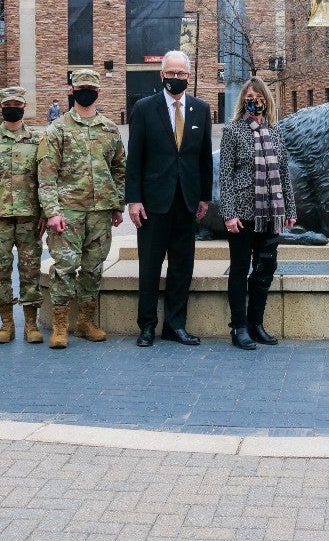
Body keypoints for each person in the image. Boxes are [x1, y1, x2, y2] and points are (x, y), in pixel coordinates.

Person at [125, 50, 213, 346]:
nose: (176, 78)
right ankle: (147, 325)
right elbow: (134, 158)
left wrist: (204, 197)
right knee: (149, 266)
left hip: (186, 202)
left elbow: (204, 160)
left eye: (182, 74)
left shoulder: (201, 109)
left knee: (181, 266)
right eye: (171, 73)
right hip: (152, 203)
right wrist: (133, 199)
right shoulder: (144, 108)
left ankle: (175, 325)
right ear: (161, 75)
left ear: (189, 76)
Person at [36, 69, 126, 349]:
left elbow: (120, 170)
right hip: (68, 212)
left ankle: (85, 321)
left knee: (93, 268)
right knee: (64, 268)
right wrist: (52, 212)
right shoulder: (57, 129)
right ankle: (60, 326)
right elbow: (46, 175)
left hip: (100, 212)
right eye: (81, 87)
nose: (86, 92)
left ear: (98, 92)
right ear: (72, 92)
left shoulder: (110, 129)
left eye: (91, 88)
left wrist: (117, 204)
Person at [218, 78, 297, 350]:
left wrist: (290, 209)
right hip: (242, 213)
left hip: (271, 213)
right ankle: (239, 327)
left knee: (265, 269)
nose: (255, 101)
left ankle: (256, 323)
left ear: (266, 100)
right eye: (250, 96)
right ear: (243, 100)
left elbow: (284, 172)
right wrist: (229, 213)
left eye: (259, 96)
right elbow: (225, 176)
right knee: (240, 270)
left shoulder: (275, 132)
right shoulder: (232, 131)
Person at [0, 86, 46, 345]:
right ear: (1, 107)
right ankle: (6, 324)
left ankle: (31, 324)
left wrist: (46, 212)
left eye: (17, 104)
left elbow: (45, 179)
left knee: (30, 272)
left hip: (29, 218)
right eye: (7, 104)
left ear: (24, 107)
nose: (12, 108)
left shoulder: (38, 140)